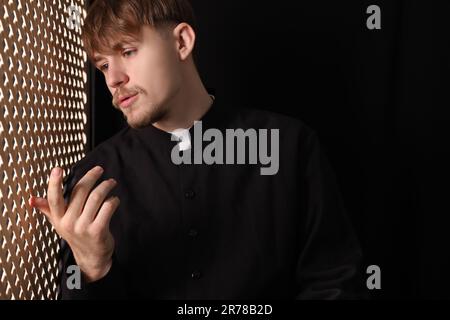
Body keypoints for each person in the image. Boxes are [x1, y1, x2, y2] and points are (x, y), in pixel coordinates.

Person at [28, 0, 364, 299]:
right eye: (102, 65)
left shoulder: (289, 146)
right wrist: (92, 269)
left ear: (181, 41)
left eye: (127, 51)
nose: (113, 78)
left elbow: (335, 280)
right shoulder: (94, 176)